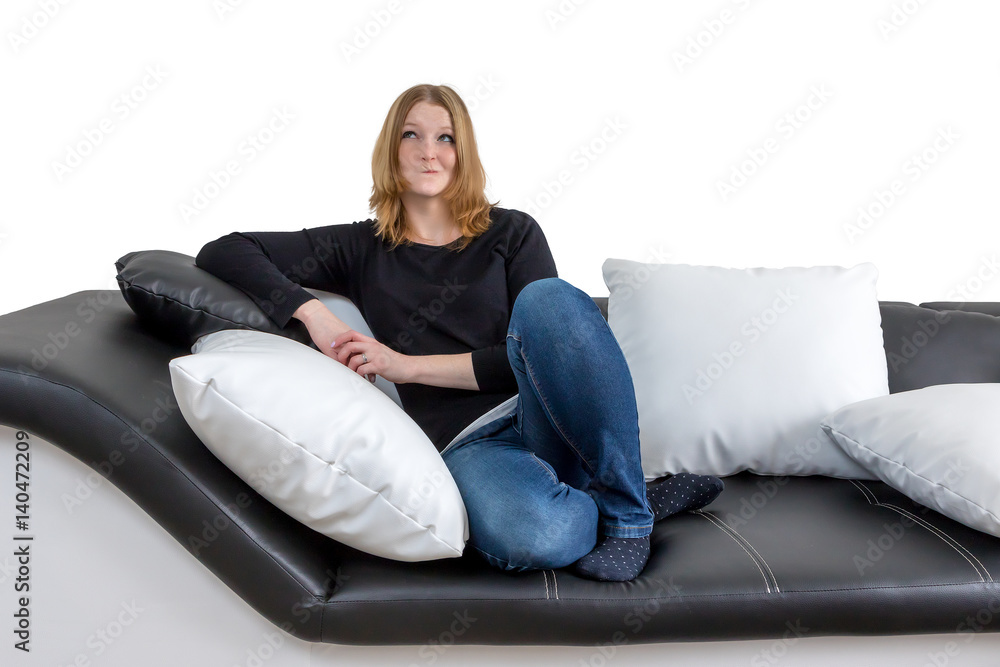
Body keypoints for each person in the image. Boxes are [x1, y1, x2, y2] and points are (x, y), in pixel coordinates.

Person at [195, 83, 723, 582]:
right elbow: (226, 248)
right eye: (412, 134)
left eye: (445, 137)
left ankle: (630, 518)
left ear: (462, 150)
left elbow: (541, 346)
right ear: (391, 148)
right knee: (540, 536)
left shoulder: (512, 233)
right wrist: (312, 312)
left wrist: (405, 366)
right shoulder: (358, 248)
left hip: (543, 412)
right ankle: (627, 497)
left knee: (550, 299)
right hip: (469, 446)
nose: (430, 152)